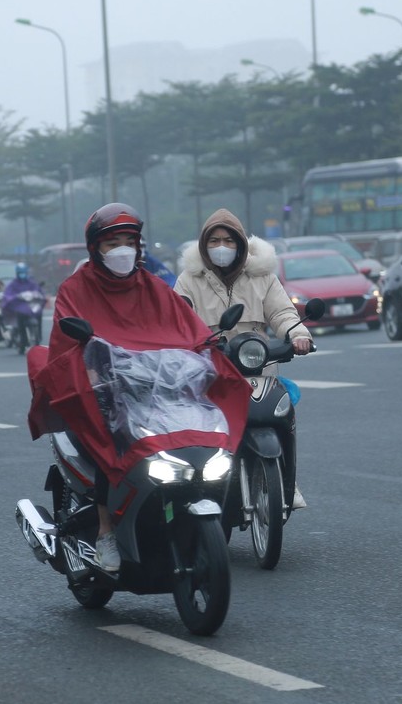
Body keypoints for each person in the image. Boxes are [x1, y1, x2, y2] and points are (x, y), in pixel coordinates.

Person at [28, 203, 249, 571]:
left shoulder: (155, 287)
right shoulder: (75, 289)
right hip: (109, 395)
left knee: (205, 433)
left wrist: (207, 350)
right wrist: (91, 373)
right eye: (112, 243)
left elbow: (188, 329)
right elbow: (67, 343)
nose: (121, 251)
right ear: (96, 249)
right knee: (107, 450)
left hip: (157, 391)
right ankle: (105, 533)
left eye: (128, 241)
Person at [174, 207, 313, 509]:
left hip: (258, 366)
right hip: (209, 370)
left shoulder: (262, 276)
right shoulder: (188, 279)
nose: (221, 247)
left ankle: (286, 477)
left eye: (228, 240)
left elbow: (281, 312)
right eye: (214, 241)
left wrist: (298, 335)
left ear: (241, 244)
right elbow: (179, 321)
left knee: (281, 416)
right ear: (203, 245)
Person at [1, 263, 45, 345]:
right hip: (20, 307)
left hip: (31, 306)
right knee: (20, 320)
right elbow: (8, 295)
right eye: (20, 273)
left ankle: (38, 335)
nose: (22, 275)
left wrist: (38, 295)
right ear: (17, 273)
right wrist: (16, 297)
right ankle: (22, 340)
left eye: (24, 273)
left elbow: (39, 291)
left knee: (39, 314)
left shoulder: (31, 283)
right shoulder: (13, 284)